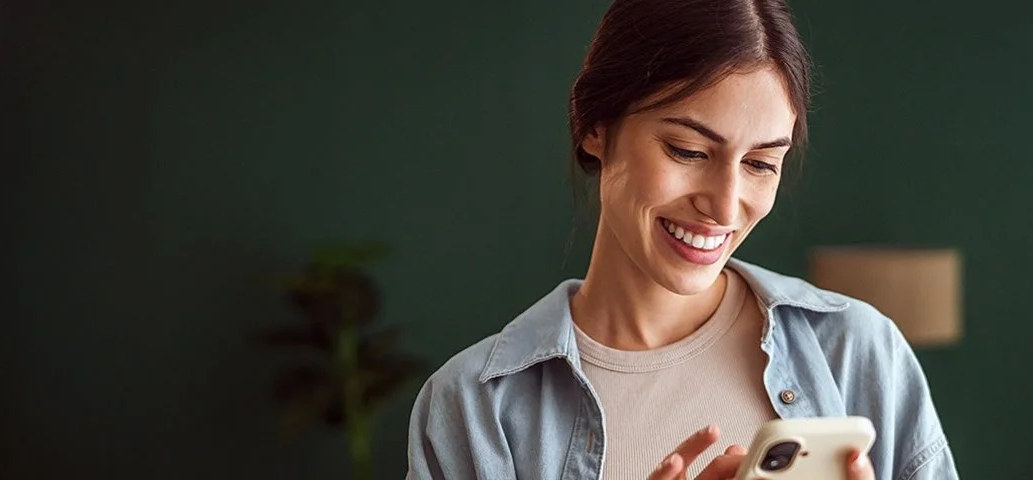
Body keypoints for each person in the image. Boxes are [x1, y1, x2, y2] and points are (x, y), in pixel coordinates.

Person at [406, 0, 958, 478]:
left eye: (762, 163)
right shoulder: (475, 409)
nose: (723, 205)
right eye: (689, 152)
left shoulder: (859, 354)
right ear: (595, 126)